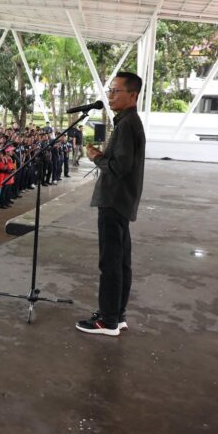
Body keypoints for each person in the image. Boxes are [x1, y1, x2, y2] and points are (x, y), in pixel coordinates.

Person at [77, 72, 145, 337]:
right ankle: (117, 313)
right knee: (121, 261)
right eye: (110, 91)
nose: (110, 96)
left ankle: (107, 321)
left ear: (133, 95)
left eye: (116, 91)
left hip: (114, 199)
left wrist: (96, 157)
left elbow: (119, 167)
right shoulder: (128, 122)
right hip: (121, 199)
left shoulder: (127, 124)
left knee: (110, 262)